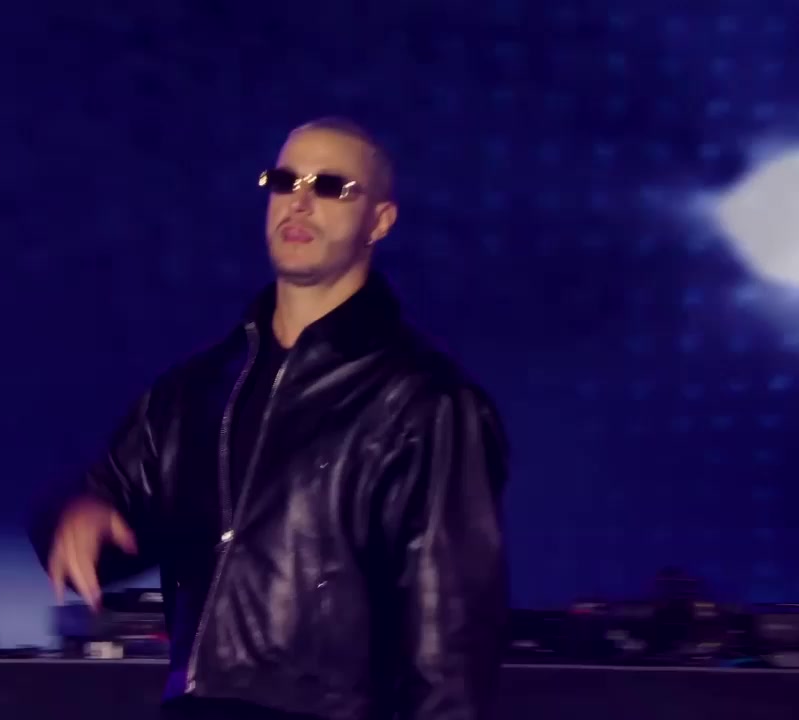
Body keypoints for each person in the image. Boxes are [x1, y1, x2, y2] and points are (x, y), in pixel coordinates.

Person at [29, 117, 510, 720]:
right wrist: (78, 514)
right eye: (285, 181)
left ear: (380, 221)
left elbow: (452, 633)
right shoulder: (196, 390)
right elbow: (104, 517)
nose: (300, 201)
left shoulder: (424, 402)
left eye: (331, 186)